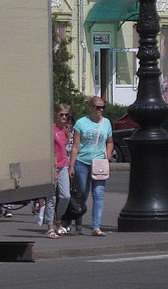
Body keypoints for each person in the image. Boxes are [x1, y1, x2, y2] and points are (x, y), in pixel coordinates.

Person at [68, 95, 114, 236]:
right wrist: (71, 165)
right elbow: (75, 146)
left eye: (102, 107)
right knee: (81, 195)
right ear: (90, 108)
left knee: (98, 195)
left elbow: (110, 141)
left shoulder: (106, 123)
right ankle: (79, 224)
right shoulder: (81, 123)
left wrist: (108, 153)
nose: (100, 110)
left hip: (99, 162)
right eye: (97, 107)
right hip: (82, 162)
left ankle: (96, 227)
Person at [41, 103, 72, 237]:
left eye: (66, 115)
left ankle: (58, 219)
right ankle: (50, 227)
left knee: (66, 196)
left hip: (63, 165)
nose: (64, 117)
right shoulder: (51, 130)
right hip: (52, 166)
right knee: (51, 198)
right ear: (56, 115)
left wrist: (71, 165)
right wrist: (51, 168)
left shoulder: (65, 130)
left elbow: (67, 148)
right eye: (61, 114)